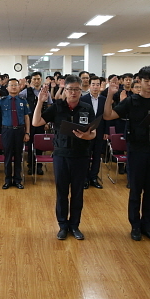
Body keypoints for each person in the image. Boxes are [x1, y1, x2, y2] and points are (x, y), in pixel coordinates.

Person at [104, 66, 150, 241]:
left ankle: (147, 226)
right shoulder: (131, 101)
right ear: (140, 81)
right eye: (146, 81)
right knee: (136, 190)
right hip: (137, 150)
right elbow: (108, 116)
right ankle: (135, 226)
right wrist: (110, 95)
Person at [32, 75, 96, 240]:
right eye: (70, 89)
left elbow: (93, 133)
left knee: (77, 193)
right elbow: (36, 122)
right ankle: (62, 226)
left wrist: (86, 136)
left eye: (76, 89)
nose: (73, 92)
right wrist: (40, 102)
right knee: (61, 192)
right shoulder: (57, 107)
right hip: (61, 155)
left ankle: (74, 226)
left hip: (81, 156)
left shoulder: (87, 108)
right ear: (65, 90)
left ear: (81, 90)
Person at [0, 78, 31, 189]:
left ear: (19, 87)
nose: (13, 87)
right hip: (7, 130)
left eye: (15, 85)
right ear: (7, 88)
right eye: (11, 85)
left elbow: (26, 117)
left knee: (18, 155)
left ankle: (18, 180)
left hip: (19, 130)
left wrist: (27, 132)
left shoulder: (23, 101)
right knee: (7, 156)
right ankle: (8, 180)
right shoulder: (2, 100)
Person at [19, 71, 53, 175]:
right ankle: (30, 165)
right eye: (34, 79)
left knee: (40, 144)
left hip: (41, 121)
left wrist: (47, 122)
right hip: (29, 122)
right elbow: (19, 103)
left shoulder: (46, 92)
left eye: (38, 79)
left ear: (41, 80)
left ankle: (39, 166)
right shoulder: (25, 92)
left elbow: (49, 107)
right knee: (29, 144)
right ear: (31, 80)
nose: (36, 81)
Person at [80, 75, 108, 190]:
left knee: (97, 156)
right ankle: (85, 178)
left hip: (100, 132)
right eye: (93, 84)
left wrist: (106, 131)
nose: (95, 87)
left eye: (97, 84)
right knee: (86, 156)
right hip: (88, 132)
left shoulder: (104, 100)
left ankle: (94, 178)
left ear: (100, 86)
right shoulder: (83, 99)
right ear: (89, 86)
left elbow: (106, 117)